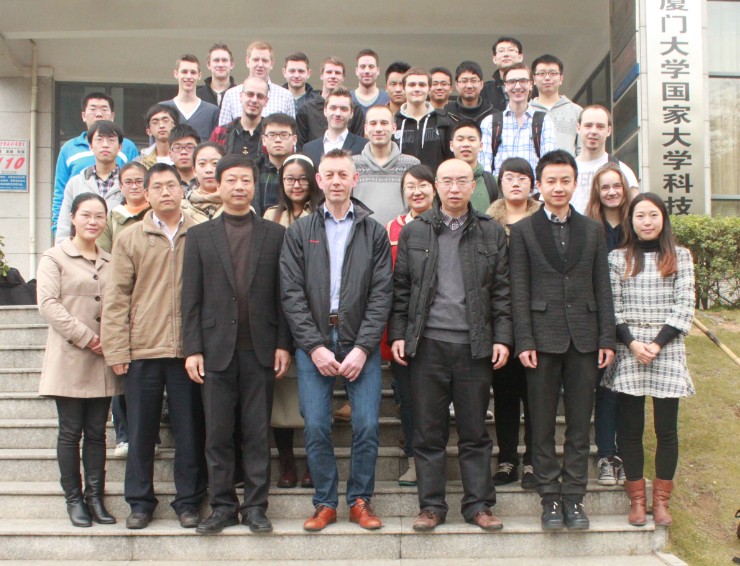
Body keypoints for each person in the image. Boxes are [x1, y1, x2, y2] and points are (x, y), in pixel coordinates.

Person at [389, 158, 512, 532]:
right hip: (428, 345)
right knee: (428, 432)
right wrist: (398, 334)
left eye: (462, 181)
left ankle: (479, 505)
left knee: (475, 431)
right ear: (436, 187)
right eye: (447, 181)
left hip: (474, 346)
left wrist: (502, 337)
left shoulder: (491, 232)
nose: (454, 188)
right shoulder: (415, 232)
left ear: (473, 186)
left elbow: (502, 291)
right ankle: (431, 506)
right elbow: (401, 289)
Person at [280, 149, 392, 532]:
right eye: (329, 174)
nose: (336, 181)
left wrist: (363, 347)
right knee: (315, 425)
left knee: (367, 424)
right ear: (319, 181)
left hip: (359, 339)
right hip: (314, 339)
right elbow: (291, 293)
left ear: (355, 179)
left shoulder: (374, 232)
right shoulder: (299, 231)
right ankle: (325, 502)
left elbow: (381, 294)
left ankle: (360, 500)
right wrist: (314, 347)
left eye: (343, 174)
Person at [182, 154, 292, 535]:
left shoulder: (274, 234)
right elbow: (190, 298)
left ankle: (256, 508)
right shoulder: (199, 237)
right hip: (215, 351)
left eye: (246, 180)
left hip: (260, 349)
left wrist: (283, 344)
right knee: (218, 434)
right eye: (231, 180)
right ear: (218, 184)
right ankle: (223, 506)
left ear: (255, 185)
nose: (239, 187)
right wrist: (193, 349)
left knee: (257, 433)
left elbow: (283, 295)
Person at [508, 149, 615, 531]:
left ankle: (574, 496)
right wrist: (524, 341)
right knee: (540, 423)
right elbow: (519, 290)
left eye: (565, 180)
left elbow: (602, 286)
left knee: (579, 424)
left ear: (575, 183)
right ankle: (550, 498)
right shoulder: (523, 231)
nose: (558, 187)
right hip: (540, 340)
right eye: (551, 180)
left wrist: (607, 337)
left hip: (585, 339)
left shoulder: (593, 229)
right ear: (539, 184)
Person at [102, 163, 207, 531]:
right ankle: (140, 502)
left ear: (182, 190)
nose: (165, 192)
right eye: (157, 186)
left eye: (171, 185)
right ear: (145, 194)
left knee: (189, 431)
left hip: (187, 351)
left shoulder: (200, 233)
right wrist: (117, 349)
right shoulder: (130, 237)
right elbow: (116, 297)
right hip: (142, 349)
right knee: (141, 432)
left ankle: (189, 501)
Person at [602, 193, 695, 528]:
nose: (647, 222)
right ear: (631, 221)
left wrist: (656, 343)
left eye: (653, 215)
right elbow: (612, 306)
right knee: (630, 430)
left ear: (663, 218)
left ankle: (661, 502)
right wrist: (632, 342)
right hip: (630, 347)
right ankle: (637, 501)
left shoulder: (680, 256)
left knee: (666, 429)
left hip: (667, 347)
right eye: (640, 216)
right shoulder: (618, 258)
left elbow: (684, 305)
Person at [37, 193, 121, 527]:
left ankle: (96, 499)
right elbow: (48, 304)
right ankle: (74, 499)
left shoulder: (110, 260)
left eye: (99, 216)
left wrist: (112, 340)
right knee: (71, 432)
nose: (93, 221)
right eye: (86, 215)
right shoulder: (54, 257)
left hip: (103, 359)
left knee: (98, 432)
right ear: (72, 217)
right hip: (71, 356)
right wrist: (88, 337)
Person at [263, 153, 321, 489]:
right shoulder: (271, 215)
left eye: (302, 178)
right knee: (281, 394)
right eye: (289, 179)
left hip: (315, 312)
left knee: (314, 397)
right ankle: (286, 460)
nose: (296, 185)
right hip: (278, 310)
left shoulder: (323, 214)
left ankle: (314, 460)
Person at [485, 157, 541, 489]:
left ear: (532, 184)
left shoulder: (543, 221)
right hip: (499, 319)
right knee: (505, 395)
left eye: (523, 177)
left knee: (535, 396)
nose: (516, 183)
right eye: (509, 177)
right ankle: (507, 459)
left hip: (537, 319)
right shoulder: (487, 222)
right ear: (500, 183)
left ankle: (534, 459)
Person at [383, 164, 436, 486]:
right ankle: (414, 459)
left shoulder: (446, 225)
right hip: (403, 326)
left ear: (434, 188)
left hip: (440, 327)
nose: (417, 192)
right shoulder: (391, 229)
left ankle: (436, 458)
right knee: (407, 398)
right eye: (410, 186)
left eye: (423, 185)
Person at [97, 161, 150, 459]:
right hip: (124, 294)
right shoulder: (114, 217)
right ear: (120, 185)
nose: (134, 186)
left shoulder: (157, 215)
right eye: (128, 181)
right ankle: (124, 434)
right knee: (123, 374)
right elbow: (105, 255)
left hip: (152, 299)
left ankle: (150, 434)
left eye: (139, 181)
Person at [585, 163, 633, 485]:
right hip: (599, 320)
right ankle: (606, 455)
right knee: (606, 390)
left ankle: (627, 456)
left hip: (634, 319)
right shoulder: (589, 227)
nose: (612, 192)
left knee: (629, 395)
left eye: (617, 186)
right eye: (605, 187)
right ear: (597, 192)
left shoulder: (636, 224)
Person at [52, 92, 139, 235]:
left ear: (112, 115)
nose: (99, 114)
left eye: (104, 109)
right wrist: (59, 232)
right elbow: (60, 193)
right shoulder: (68, 148)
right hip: (81, 232)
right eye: (93, 109)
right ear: (83, 115)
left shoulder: (128, 147)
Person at [479, 63, 557, 178]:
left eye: (523, 81)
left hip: (533, 189)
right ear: (505, 86)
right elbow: (485, 167)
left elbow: (549, 165)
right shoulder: (490, 122)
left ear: (531, 84)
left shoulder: (544, 121)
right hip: (499, 188)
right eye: (511, 82)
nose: (517, 86)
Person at [56, 121, 125, 244]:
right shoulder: (76, 183)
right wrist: (61, 251)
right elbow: (64, 225)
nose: (105, 145)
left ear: (120, 147)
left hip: (118, 252)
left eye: (111, 140)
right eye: (99, 140)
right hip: (81, 252)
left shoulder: (128, 184)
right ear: (90, 146)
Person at [352, 104, 420, 227]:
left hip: (401, 235)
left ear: (394, 128)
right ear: (366, 129)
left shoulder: (412, 164)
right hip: (362, 235)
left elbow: (420, 206)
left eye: (384, 123)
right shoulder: (352, 164)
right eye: (373, 123)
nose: (378, 128)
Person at [573, 105, 639, 213]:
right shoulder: (566, 170)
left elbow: (635, 211)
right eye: (588, 126)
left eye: (600, 126)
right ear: (578, 128)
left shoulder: (622, 170)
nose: (593, 131)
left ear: (609, 131)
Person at [218, 40, 295, 125]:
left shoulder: (286, 96)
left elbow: (291, 130)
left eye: (265, 60)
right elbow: (223, 131)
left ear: (272, 64)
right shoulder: (231, 95)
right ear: (247, 61)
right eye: (256, 60)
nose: (260, 65)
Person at [296, 58, 365, 149]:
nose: (333, 76)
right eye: (329, 72)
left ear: (343, 77)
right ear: (321, 76)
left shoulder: (356, 110)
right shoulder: (306, 109)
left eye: (337, 73)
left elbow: (359, 145)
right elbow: (301, 147)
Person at [394, 68, 454, 172]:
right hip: (401, 182)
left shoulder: (443, 122)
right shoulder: (394, 122)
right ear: (404, 88)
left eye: (422, 85)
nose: (417, 89)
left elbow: (450, 160)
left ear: (429, 89)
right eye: (412, 85)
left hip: (434, 182)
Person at [530, 54, 582, 156]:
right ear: (534, 79)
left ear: (561, 78)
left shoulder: (576, 111)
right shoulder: (526, 111)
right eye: (541, 73)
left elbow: (581, 150)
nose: (547, 78)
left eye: (553, 73)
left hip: (567, 166)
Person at [301, 88, 368, 167]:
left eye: (343, 109)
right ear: (325, 111)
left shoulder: (364, 146)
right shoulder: (309, 148)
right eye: (333, 108)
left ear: (351, 113)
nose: (338, 113)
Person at [160, 54, 220, 142]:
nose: (188, 76)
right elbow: (156, 144)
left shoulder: (212, 111)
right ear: (176, 74)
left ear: (199, 75)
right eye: (184, 72)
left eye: (193, 72)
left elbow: (217, 146)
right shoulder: (162, 109)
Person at [210, 76, 269, 159]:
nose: (254, 100)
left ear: (266, 101)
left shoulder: (271, 135)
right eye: (250, 94)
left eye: (260, 96)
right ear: (241, 96)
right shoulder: (221, 132)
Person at [449, 120, 498, 214]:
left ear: (481, 146)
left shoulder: (494, 183)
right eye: (460, 139)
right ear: (451, 145)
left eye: (471, 139)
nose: (466, 144)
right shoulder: (441, 183)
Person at [256, 113, 299, 214]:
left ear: (294, 139)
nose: (278, 140)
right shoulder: (254, 169)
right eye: (272, 135)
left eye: (284, 135)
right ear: (264, 140)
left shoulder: (304, 169)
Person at [181, 142, 226, 224]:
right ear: (194, 171)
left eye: (215, 163)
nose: (209, 170)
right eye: (202, 164)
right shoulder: (181, 209)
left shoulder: (240, 206)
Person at [481, 36, 526, 111]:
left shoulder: (532, 88)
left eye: (511, 50)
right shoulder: (484, 90)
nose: (506, 54)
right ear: (494, 59)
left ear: (520, 57)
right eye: (501, 51)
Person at [444, 61, 495, 125]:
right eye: (464, 81)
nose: (469, 86)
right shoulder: (445, 114)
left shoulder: (493, 116)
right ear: (456, 85)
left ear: (481, 84)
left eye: (473, 81)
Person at [136, 104, 178, 169]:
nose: (161, 125)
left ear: (175, 126)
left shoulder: (187, 157)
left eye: (165, 121)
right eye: (155, 122)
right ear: (149, 131)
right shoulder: (140, 162)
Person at [197, 43, 236, 108]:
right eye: (216, 60)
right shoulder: (197, 96)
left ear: (232, 65)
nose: (220, 65)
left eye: (224, 60)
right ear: (208, 65)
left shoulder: (239, 95)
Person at [167, 124, 201, 192]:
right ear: (170, 154)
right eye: (178, 148)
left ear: (199, 152)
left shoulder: (208, 178)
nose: (183, 152)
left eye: (189, 147)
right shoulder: (163, 180)